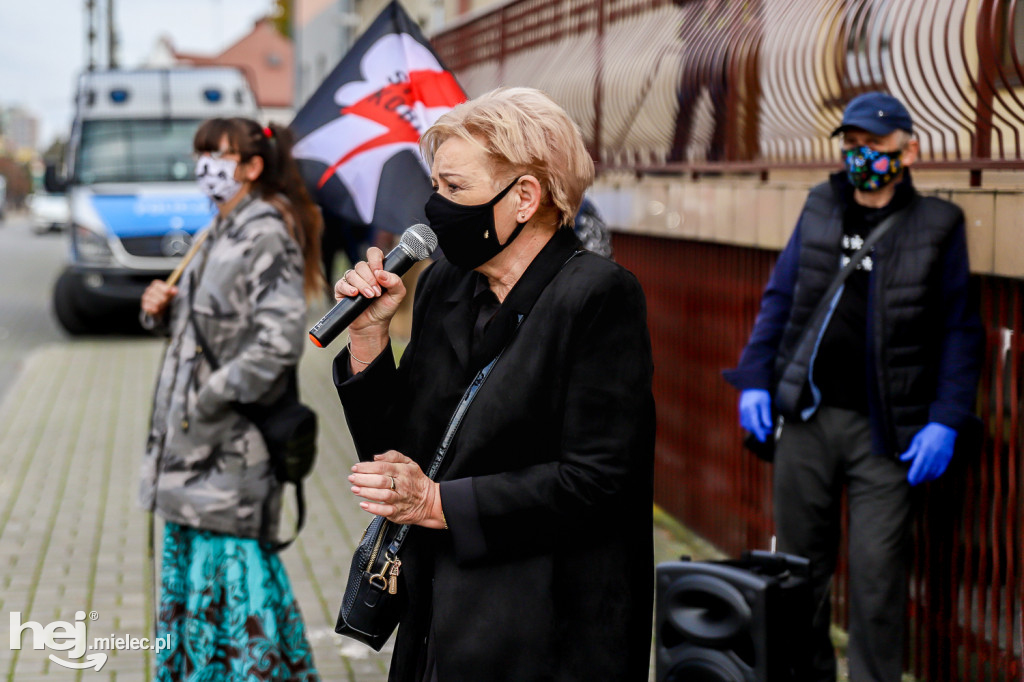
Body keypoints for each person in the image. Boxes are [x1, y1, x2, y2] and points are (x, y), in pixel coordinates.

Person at [332, 87, 655, 681]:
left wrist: (436, 503)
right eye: (435, 188)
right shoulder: (446, 285)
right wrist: (368, 337)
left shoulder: (597, 297)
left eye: (455, 189)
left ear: (525, 197)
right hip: (439, 614)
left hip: (546, 626)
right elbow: (401, 451)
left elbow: (599, 481)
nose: (434, 209)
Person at [724, 92, 984, 682]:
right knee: (799, 573)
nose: (861, 155)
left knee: (876, 578)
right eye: (853, 145)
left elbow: (959, 331)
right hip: (809, 420)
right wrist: (755, 379)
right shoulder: (820, 205)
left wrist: (945, 420)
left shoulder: (937, 224)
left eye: (875, 145)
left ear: (908, 150)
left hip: (888, 433)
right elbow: (781, 298)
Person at [138, 117, 324, 681]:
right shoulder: (217, 229)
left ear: (252, 166)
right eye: (199, 154)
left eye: (217, 155)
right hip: (188, 451)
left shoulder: (265, 232)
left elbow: (278, 342)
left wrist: (208, 399)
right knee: (197, 583)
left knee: (235, 587)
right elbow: (210, 332)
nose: (205, 167)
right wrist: (161, 310)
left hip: (229, 452)